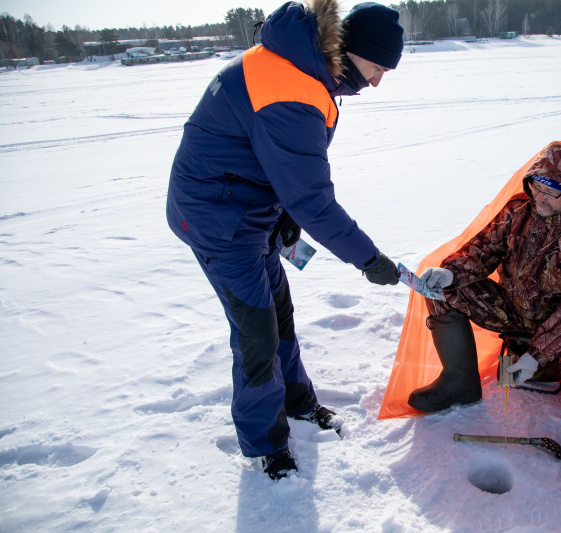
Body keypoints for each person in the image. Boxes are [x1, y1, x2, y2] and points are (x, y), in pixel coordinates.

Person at [165, 0, 403, 480]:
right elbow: (313, 199)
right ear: (351, 51)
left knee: (279, 315)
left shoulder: (300, 66)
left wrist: (282, 215)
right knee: (257, 336)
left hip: (250, 211)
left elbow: (277, 163)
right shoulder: (291, 89)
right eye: (377, 68)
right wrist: (369, 259)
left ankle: (298, 404)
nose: (377, 82)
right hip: (218, 222)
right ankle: (266, 445)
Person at [408, 142, 561, 470]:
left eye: (551, 192)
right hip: (510, 309)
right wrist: (450, 273)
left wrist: (536, 356)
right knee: (440, 289)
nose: (540, 197)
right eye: (537, 186)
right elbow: (482, 251)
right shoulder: (518, 210)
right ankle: (460, 381)